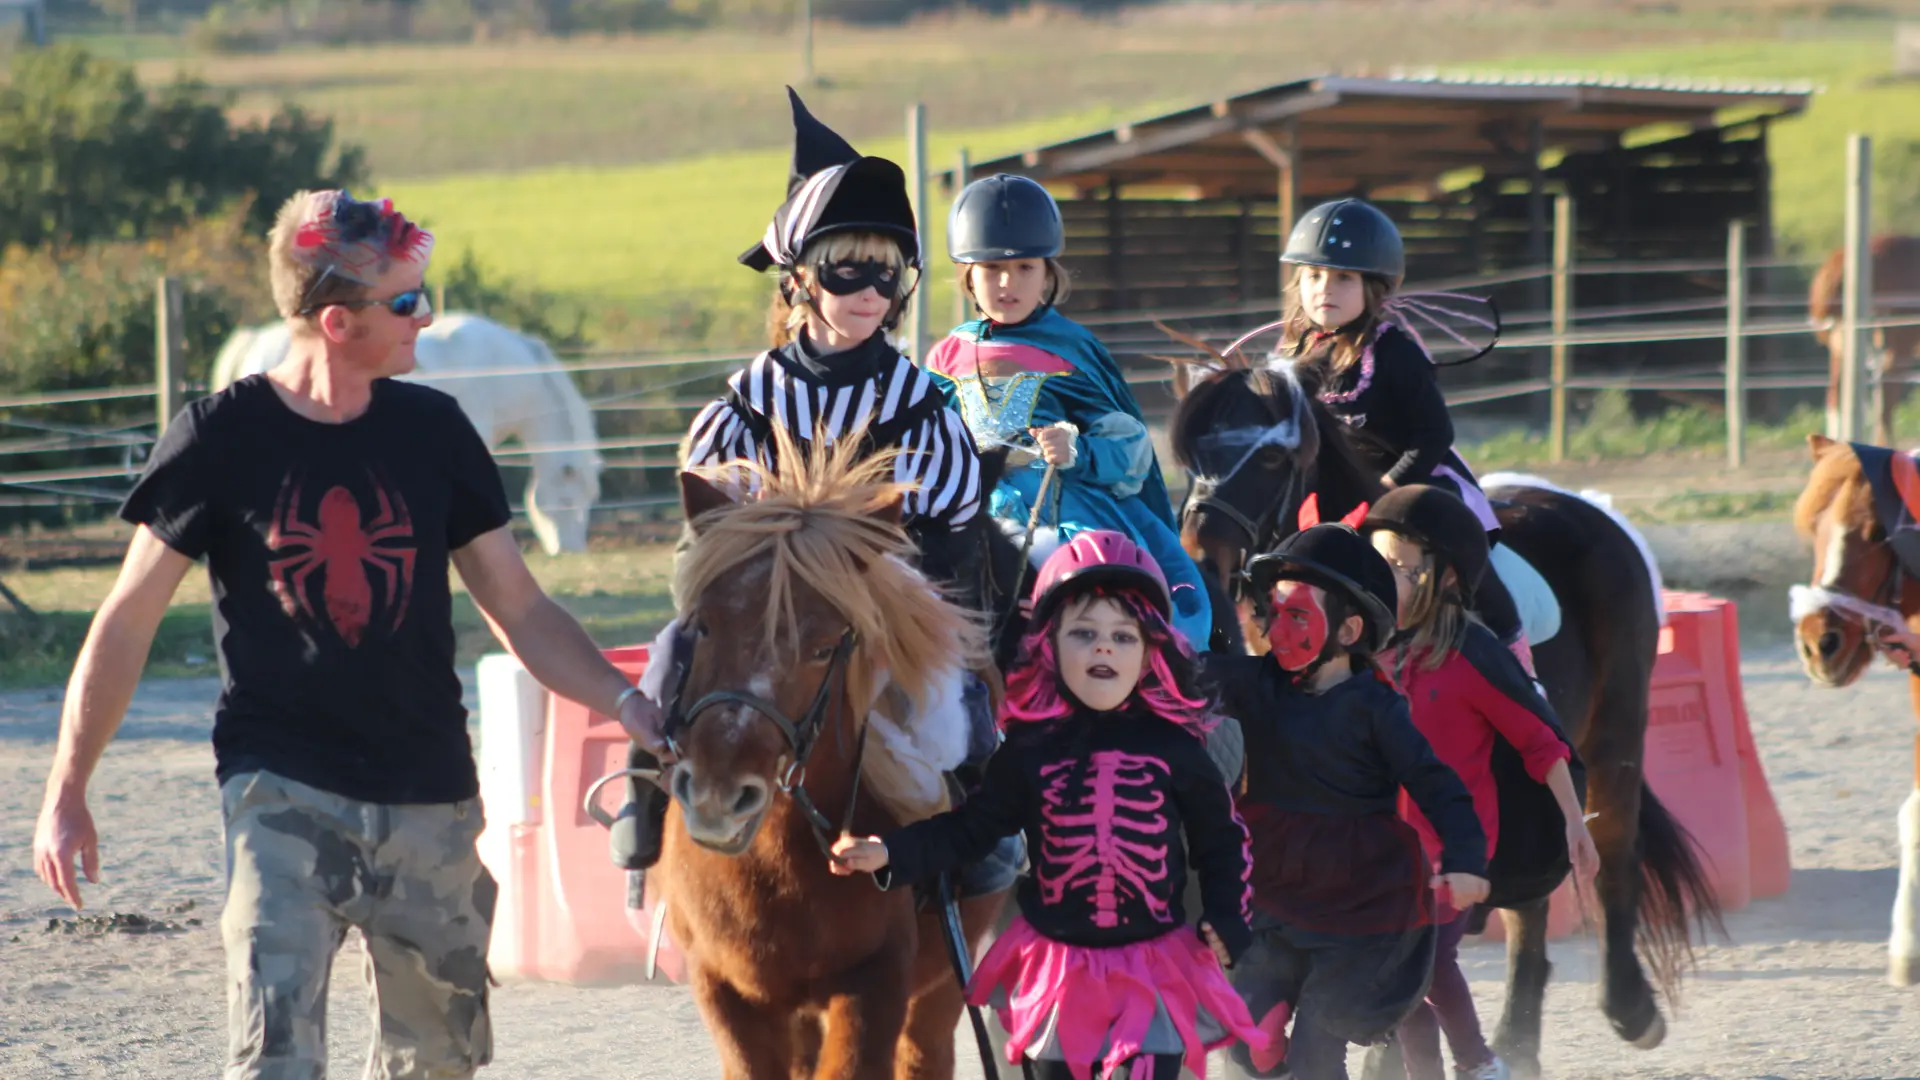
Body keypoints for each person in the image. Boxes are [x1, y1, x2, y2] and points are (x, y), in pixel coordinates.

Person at [29, 189, 666, 1080]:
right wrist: (68, 787)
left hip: (432, 796)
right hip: (281, 793)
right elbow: (127, 618)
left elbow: (519, 608)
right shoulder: (222, 436)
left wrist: (628, 701)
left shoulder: (435, 431)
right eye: (405, 302)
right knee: (275, 1060)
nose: (427, 317)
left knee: (437, 1065)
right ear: (337, 321)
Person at [606, 87, 1011, 903]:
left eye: (887, 272)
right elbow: (709, 540)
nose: (869, 289)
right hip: (758, 600)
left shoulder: (925, 408)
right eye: (846, 268)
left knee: (952, 716)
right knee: (668, 658)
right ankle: (646, 792)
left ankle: (973, 837)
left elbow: (951, 542)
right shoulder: (743, 405)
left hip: (885, 603)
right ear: (798, 280)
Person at [831, 530, 1268, 1080]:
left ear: (1151, 653)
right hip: (1061, 974)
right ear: (1049, 648)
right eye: (1083, 633)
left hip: (1155, 968)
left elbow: (1223, 843)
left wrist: (1229, 917)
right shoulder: (1028, 754)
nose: (1103, 647)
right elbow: (972, 829)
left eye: (1123, 636)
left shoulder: (1178, 750)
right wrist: (890, 852)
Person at [1202, 524, 1488, 1080]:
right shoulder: (1257, 682)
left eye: (1297, 616)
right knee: (1247, 1038)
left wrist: (1466, 858)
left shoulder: (1377, 708)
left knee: (1316, 1050)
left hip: (1360, 907)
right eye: (1272, 612)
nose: (1273, 629)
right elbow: (1179, 668)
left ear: (1349, 628)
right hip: (1272, 895)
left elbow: (1438, 784)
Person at [1360, 486, 1600, 1080]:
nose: (1384, 578)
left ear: (1442, 579)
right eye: (1377, 562)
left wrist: (1574, 821)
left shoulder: (1469, 654)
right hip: (1377, 856)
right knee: (1399, 987)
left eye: (1400, 568)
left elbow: (1542, 742)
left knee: (1429, 968)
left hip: (1452, 850)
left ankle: (1479, 1064)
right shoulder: (1365, 652)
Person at [924, 173, 1214, 650]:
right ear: (968, 276)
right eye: (992, 268)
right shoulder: (944, 357)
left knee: (1089, 598)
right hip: (978, 514)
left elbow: (1132, 450)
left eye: (1024, 268)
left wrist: (1078, 448)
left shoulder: (1075, 349)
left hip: (1066, 516)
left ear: (1048, 273)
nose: (1007, 282)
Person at [1274, 198, 1534, 676]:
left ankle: (1518, 663)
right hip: (1332, 489)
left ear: (1375, 288)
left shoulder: (1396, 352)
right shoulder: (1292, 355)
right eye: (1313, 276)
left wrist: (1386, 490)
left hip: (1412, 481)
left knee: (1471, 559)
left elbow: (1434, 434)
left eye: (1342, 278)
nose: (1324, 289)